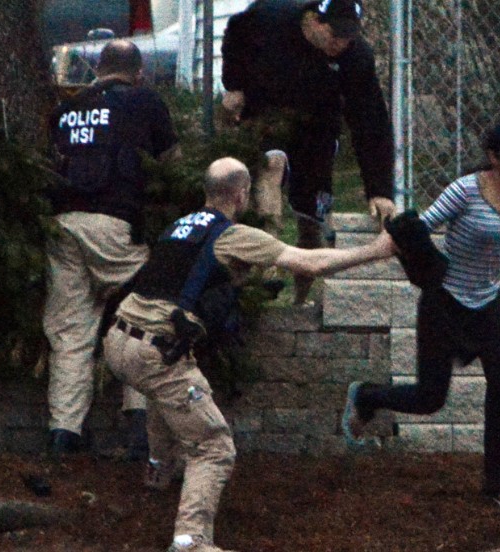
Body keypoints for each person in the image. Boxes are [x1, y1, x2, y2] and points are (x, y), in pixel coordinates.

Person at [102, 157, 395, 552]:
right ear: (241, 195)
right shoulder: (233, 234)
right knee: (213, 446)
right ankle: (189, 540)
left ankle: (158, 472)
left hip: (119, 340)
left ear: (207, 190)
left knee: (160, 395)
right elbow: (309, 262)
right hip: (156, 350)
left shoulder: (180, 226)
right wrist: (377, 250)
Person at [342, 120, 500, 511]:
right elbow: (420, 227)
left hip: (488, 304)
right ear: (493, 158)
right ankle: (367, 395)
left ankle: (499, 483)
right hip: (444, 302)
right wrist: (397, 246)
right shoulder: (465, 191)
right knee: (431, 399)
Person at [44, 40, 181, 458]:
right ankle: (139, 425)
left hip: (63, 226)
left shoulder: (66, 109)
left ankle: (63, 435)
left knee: (70, 332)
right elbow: (172, 162)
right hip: (118, 228)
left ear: (97, 71)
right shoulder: (144, 100)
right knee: (143, 318)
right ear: (138, 73)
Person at [221, 0, 397, 304]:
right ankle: (267, 270)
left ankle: (300, 300)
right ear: (314, 21)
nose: (340, 44)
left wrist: (379, 189)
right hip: (268, 114)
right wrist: (234, 85)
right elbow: (235, 31)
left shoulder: (356, 57)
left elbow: (371, 123)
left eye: (348, 37)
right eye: (334, 35)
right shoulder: (271, 18)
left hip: (318, 129)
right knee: (271, 166)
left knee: (310, 219)